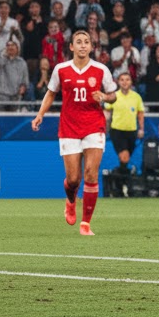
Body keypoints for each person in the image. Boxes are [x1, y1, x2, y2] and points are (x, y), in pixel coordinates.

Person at [31, 29, 117, 236]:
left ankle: (86, 223)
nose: (82, 45)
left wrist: (104, 97)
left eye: (86, 42)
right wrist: (40, 114)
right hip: (69, 127)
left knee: (90, 173)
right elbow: (51, 93)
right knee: (73, 179)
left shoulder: (101, 69)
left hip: (94, 125)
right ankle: (71, 200)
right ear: (71, 47)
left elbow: (114, 96)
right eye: (78, 42)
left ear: (91, 46)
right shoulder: (61, 70)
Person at [104, 71, 144, 187]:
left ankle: (120, 180)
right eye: (122, 80)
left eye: (127, 79)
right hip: (117, 131)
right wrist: (104, 127)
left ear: (131, 82)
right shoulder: (114, 96)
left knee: (125, 159)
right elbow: (107, 112)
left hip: (131, 131)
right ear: (118, 82)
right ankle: (123, 183)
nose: (125, 82)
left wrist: (141, 129)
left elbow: (140, 113)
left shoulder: (136, 97)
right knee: (124, 156)